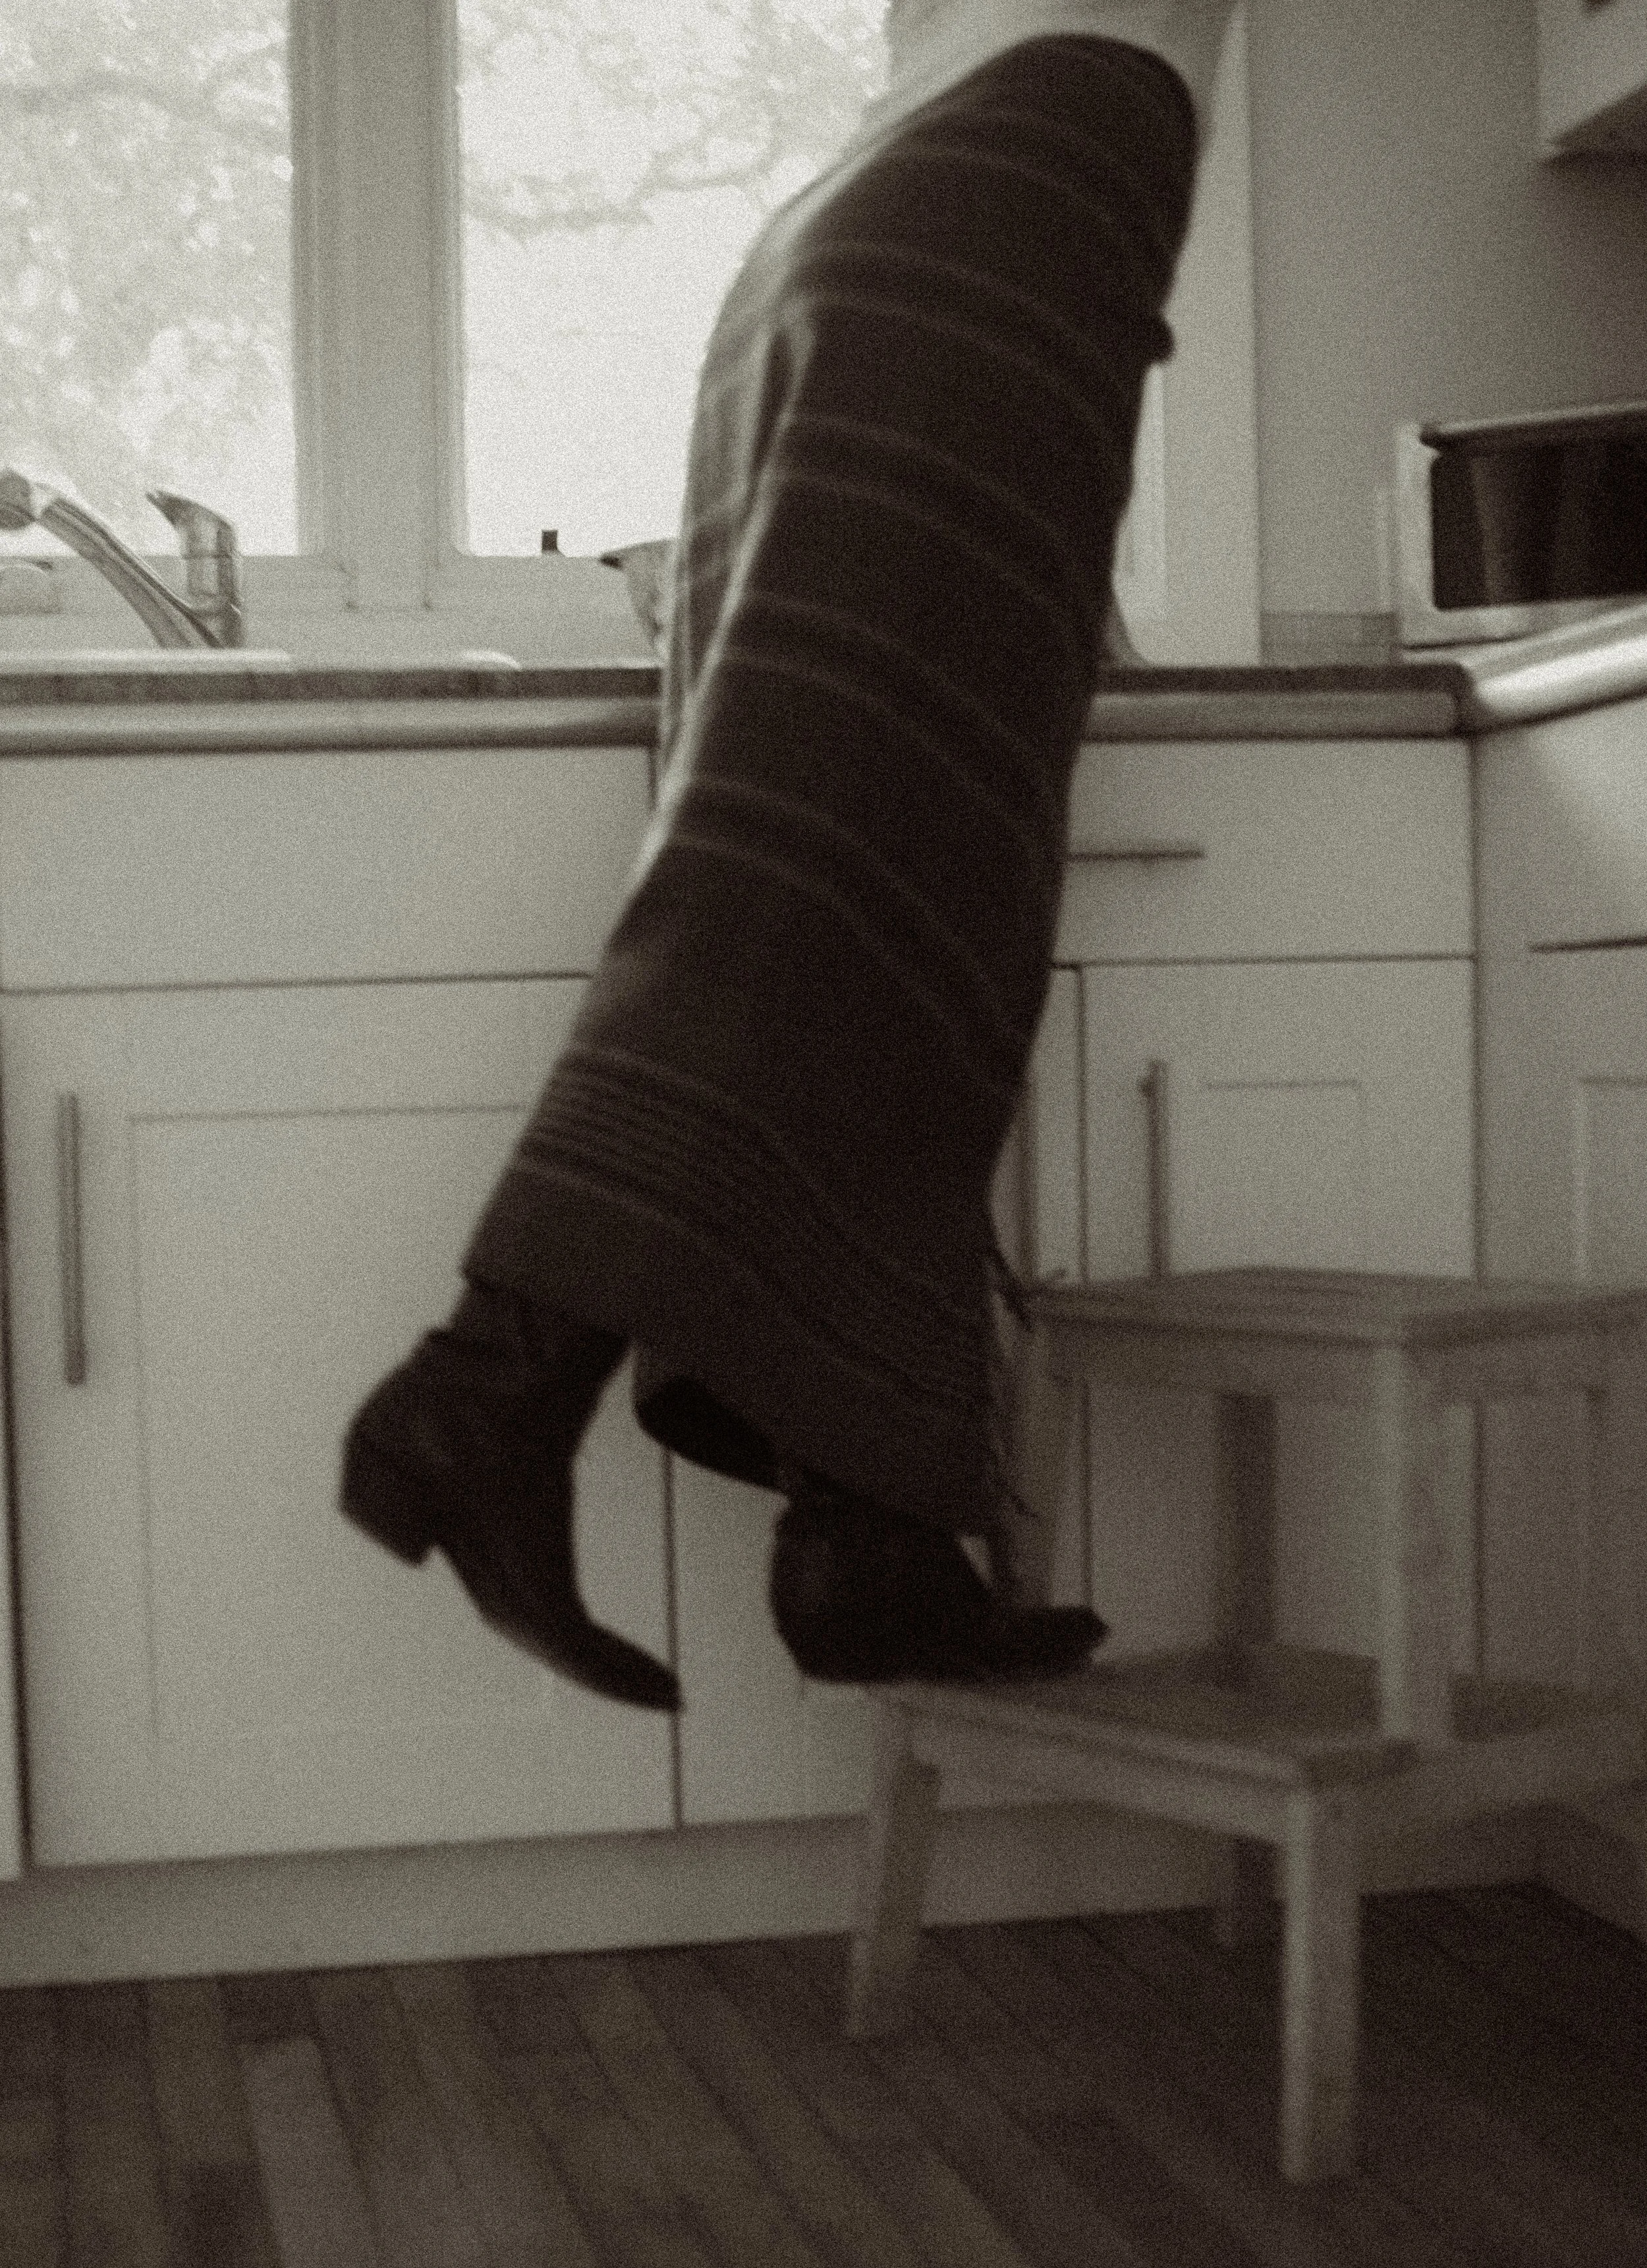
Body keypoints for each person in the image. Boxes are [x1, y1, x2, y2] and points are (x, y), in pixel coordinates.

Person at [340, 0, 1239, 1710]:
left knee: (860, 854)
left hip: (866, 197)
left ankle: (869, 1524)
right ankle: (484, 1386)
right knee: (849, 858)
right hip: (1043, 162)